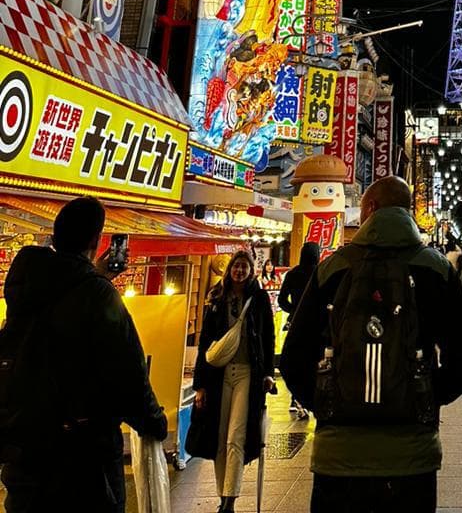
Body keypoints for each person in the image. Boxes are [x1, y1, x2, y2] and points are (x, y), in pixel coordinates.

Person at [281, 175, 462, 513]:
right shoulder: (435, 269)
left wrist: (326, 403)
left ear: (371, 207)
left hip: (338, 458)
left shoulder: (333, 268)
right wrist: (427, 396)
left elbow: (293, 358)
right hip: (412, 459)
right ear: (407, 211)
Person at [0, 195, 167, 513]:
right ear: (97, 239)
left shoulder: (26, 284)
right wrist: (153, 421)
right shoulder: (97, 294)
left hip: (26, 451)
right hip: (82, 457)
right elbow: (128, 373)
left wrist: (95, 275)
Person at [188, 250, 276, 513]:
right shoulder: (217, 297)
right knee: (219, 435)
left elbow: (268, 337)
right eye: (236, 266)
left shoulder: (258, 298)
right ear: (230, 270)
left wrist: (268, 372)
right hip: (219, 375)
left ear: (251, 270)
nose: (239, 271)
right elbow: (205, 342)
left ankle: (230, 499)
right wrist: (200, 385)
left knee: (235, 436)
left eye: (244, 267)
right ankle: (221, 493)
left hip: (247, 373)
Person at [278, 241, 320, 418]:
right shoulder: (319, 273)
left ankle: (295, 399)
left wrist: (294, 310)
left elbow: (281, 300)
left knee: (296, 358)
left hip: (296, 323)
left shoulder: (293, 274)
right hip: (316, 324)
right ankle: (311, 396)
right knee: (314, 361)